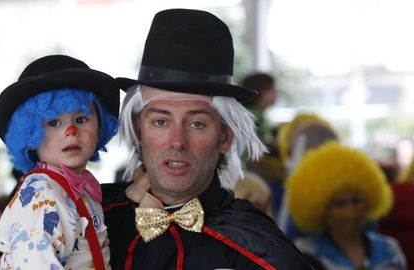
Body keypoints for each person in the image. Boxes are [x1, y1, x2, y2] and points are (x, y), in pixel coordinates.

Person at [102, 8, 312, 270]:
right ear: (137, 129)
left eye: (197, 123)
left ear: (225, 137)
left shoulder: (260, 251)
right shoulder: (88, 219)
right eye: (160, 122)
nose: (177, 141)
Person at [0, 55, 119, 269]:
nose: (71, 132)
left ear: (99, 128)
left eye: (80, 119)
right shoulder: (43, 196)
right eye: (53, 122)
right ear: (30, 135)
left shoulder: (75, 188)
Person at [286, 142, 407, 270]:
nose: (350, 212)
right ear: (322, 210)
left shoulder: (389, 250)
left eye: (356, 201)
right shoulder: (306, 254)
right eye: (340, 204)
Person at [240, 72, 278, 145]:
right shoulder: (254, 115)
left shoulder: (254, 112)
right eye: (272, 89)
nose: (276, 92)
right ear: (261, 91)